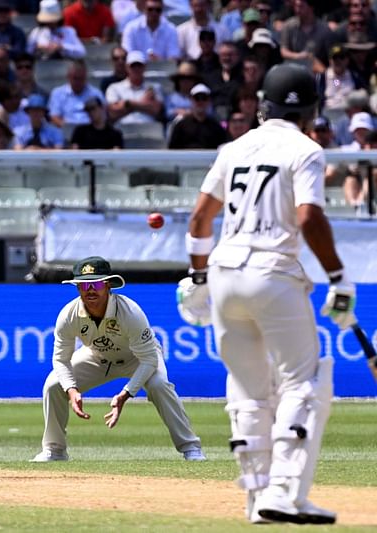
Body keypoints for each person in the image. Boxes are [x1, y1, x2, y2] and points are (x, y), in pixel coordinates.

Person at [176, 63, 351, 524]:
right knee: (305, 382)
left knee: (251, 393)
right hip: (273, 272)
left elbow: (199, 221)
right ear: (312, 110)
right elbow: (310, 217)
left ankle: (256, 500)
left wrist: (197, 280)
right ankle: (284, 491)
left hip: (225, 276)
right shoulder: (307, 149)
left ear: (262, 107)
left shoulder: (233, 147)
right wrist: (337, 277)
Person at [31, 256, 205, 463]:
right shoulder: (68, 315)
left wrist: (126, 393)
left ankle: (191, 448)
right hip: (96, 356)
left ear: (107, 286)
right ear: (77, 288)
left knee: (159, 385)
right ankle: (54, 450)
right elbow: (60, 360)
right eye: (84, 285)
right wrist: (72, 389)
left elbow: (149, 359)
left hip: (138, 358)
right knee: (53, 385)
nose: (90, 290)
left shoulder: (130, 312)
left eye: (95, 284)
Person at [167, 84, 229, 148]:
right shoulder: (181, 126)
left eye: (204, 98)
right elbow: (172, 149)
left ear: (209, 101)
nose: (200, 101)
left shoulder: (216, 127)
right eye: (197, 98)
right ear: (191, 100)